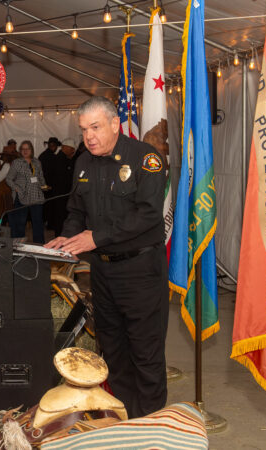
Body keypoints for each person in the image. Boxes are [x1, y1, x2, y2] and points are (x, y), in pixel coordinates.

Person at [44, 96, 168, 419]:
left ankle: (151, 425)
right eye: (84, 129)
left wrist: (95, 237)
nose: (89, 136)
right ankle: (127, 418)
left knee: (146, 353)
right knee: (113, 351)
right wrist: (68, 239)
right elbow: (76, 211)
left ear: (115, 124)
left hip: (140, 271)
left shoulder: (145, 158)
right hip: (102, 272)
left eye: (95, 127)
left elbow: (148, 214)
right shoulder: (84, 163)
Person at [5, 140, 46, 243]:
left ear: (31, 150)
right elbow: (8, 179)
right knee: (20, 223)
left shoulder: (37, 162)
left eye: (27, 149)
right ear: (20, 151)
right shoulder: (17, 163)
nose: (25, 151)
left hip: (36, 196)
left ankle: (39, 245)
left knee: (38, 223)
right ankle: (19, 246)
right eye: (23, 149)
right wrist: (16, 188)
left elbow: (41, 177)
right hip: (22, 196)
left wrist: (44, 186)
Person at [0, 144, 19, 221]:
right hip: (13, 192)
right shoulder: (15, 164)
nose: (2, 157)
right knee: (12, 213)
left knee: (8, 213)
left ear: (8, 156)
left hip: (6, 193)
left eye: (4, 155)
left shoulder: (7, 166)